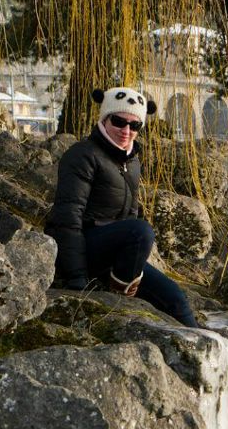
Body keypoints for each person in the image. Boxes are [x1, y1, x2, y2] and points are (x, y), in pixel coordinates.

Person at [44, 86, 198, 327]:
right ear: (104, 119)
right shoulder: (82, 155)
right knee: (141, 231)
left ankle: (207, 347)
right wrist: (76, 277)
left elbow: (129, 212)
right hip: (86, 249)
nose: (126, 131)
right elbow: (67, 217)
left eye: (134, 125)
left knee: (176, 298)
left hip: (117, 255)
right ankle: (118, 297)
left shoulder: (132, 160)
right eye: (118, 121)